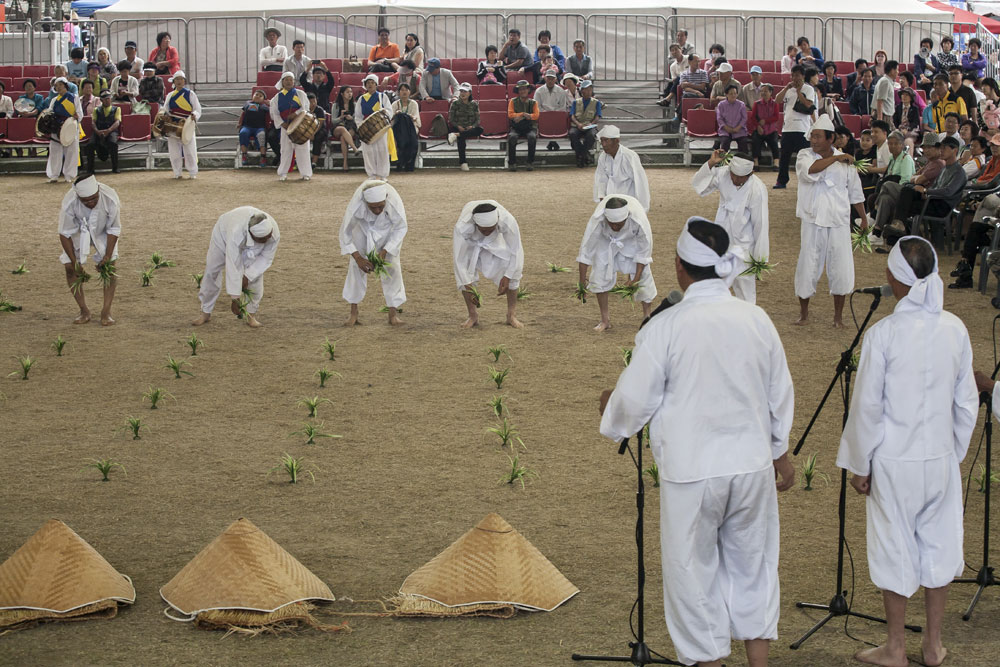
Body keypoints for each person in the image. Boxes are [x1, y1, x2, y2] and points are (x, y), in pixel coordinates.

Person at [598, 216, 795, 667]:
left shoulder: (666, 326)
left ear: (679, 267)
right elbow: (779, 393)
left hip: (693, 472)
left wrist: (612, 412)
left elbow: (634, 400)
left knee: (692, 576)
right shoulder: (756, 318)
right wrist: (780, 452)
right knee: (754, 569)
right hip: (751, 466)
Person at [838, 236, 977, 667]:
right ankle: (933, 645)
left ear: (893, 277)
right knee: (940, 547)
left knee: (893, 548)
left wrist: (860, 464)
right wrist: (951, 452)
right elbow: (966, 403)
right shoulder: (954, 328)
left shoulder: (883, 335)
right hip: (939, 458)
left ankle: (896, 648)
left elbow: (868, 408)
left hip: (894, 462)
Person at [794, 115, 867, 327]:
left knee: (840, 266)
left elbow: (855, 193)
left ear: (830, 138)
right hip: (812, 219)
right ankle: (804, 314)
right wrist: (836, 158)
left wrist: (863, 218)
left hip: (838, 220)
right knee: (808, 264)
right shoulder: (805, 155)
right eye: (812, 136)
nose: (814, 140)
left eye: (818, 137)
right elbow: (810, 170)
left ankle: (838, 317)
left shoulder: (847, 163)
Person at [692, 151, 770, 303]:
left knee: (745, 289)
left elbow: (760, 224)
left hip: (744, 245)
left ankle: (746, 316)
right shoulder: (723, 174)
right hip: (721, 237)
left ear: (751, 174)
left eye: (740, 177)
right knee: (716, 284)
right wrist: (711, 163)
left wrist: (760, 258)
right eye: (733, 175)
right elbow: (699, 186)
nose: (735, 179)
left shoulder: (757, 189)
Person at [577, 196, 657, 329]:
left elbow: (644, 252)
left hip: (632, 241)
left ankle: (647, 316)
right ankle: (605, 320)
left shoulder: (638, 221)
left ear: (626, 218)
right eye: (611, 224)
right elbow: (586, 251)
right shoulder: (598, 220)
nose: (614, 227)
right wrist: (581, 283)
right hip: (606, 240)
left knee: (644, 277)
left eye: (619, 224)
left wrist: (635, 279)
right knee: (599, 275)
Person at [192, 207, 279, 329]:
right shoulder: (235, 234)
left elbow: (266, 258)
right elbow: (233, 265)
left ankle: (251, 315)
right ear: (251, 234)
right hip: (223, 234)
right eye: (262, 239)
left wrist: (248, 276)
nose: (266, 240)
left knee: (256, 277)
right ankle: (205, 312)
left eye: (268, 236)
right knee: (212, 271)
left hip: (243, 236)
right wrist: (235, 299)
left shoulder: (273, 232)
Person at [340, 180, 407, 326]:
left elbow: (401, 228)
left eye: (381, 206)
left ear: (386, 199)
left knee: (393, 267)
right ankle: (353, 313)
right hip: (362, 228)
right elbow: (345, 233)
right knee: (355, 268)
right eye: (373, 207)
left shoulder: (394, 202)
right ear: (365, 202)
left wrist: (385, 250)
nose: (377, 210)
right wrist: (358, 258)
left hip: (387, 228)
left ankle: (393, 314)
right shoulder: (356, 205)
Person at [58, 174, 120, 326]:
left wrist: (107, 256)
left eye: (94, 198)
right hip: (78, 231)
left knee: (110, 267)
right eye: (86, 201)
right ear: (78, 197)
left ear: (98, 191)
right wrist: (75, 263)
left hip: (103, 230)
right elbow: (64, 233)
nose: (91, 202)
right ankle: (84, 310)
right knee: (69, 268)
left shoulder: (110, 197)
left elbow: (114, 228)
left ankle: (106, 312)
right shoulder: (70, 201)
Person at [453, 201, 525, 329]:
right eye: (484, 230)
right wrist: (469, 288)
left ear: (497, 223)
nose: (487, 232)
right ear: (476, 224)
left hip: (495, 239)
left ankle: (511, 315)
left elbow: (516, 251)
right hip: (471, 241)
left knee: (513, 272)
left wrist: (508, 276)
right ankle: (472, 316)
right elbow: (459, 261)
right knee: (465, 276)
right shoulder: (462, 227)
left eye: (490, 229)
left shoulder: (507, 221)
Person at [885, 136, 965, 244]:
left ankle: (898, 237)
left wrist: (926, 191)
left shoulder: (959, 171)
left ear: (954, 150)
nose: (941, 151)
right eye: (940, 148)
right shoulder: (945, 168)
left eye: (944, 148)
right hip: (932, 200)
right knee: (906, 191)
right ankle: (898, 233)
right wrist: (925, 191)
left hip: (942, 206)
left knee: (903, 204)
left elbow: (948, 191)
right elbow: (934, 186)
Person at [871, 133, 944, 238]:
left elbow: (917, 179)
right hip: (911, 191)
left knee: (887, 185)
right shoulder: (930, 163)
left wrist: (917, 179)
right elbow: (914, 178)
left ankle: (873, 214)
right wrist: (917, 178)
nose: (926, 151)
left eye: (930, 147)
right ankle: (877, 233)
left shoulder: (937, 164)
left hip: (921, 196)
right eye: (924, 148)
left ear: (938, 148)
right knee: (885, 198)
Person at [774, 65, 818, 189]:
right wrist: (786, 88)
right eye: (792, 75)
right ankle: (781, 180)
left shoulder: (808, 89)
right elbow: (777, 100)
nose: (794, 78)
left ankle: (806, 179)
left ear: (803, 76)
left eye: (797, 75)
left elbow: (808, 104)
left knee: (804, 157)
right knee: (784, 157)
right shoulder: (788, 89)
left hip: (802, 128)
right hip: (788, 128)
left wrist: (799, 91)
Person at [594, 125, 650, 210]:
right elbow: (601, 179)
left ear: (616, 141)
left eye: (606, 140)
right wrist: (602, 198)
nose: (604, 144)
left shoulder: (630, 156)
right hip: (610, 201)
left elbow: (640, 182)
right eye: (602, 141)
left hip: (628, 200)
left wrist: (642, 207)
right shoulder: (603, 157)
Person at [270, 71, 312, 182]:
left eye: (290, 80)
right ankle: (283, 173)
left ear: (293, 82)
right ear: (282, 82)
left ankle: (306, 173)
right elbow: (274, 113)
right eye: (286, 80)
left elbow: (305, 107)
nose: (289, 82)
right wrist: (283, 124)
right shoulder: (276, 97)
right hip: (286, 127)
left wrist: (296, 114)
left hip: (300, 126)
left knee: (303, 149)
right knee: (285, 150)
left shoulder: (300, 93)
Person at [356, 74, 396, 179]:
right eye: (368, 83)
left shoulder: (382, 96)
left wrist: (385, 113)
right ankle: (371, 174)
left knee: (382, 150)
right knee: (368, 151)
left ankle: (383, 174)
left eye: (372, 83)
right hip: (367, 128)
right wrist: (361, 126)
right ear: (365, 85)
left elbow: (389, 110)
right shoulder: (361, 99)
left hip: (380, 127)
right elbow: (358, 115)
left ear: (376, 84)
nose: (370, 85)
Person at [45, 78, 84, 184]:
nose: (58, 87)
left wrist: (76, 117)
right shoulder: (54, 100)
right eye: (56, 86)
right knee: (55, 151)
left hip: (70, 127)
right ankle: (54, 175)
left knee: (71, 152)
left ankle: (69, 175)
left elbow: (80, 113)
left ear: (65, 85)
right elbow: (50, 112)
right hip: (57, 128)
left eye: (60, 85)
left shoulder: (74, 98)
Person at [164, 71, 201, 180]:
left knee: (190, 149)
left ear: (184, 81)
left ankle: (192, 172)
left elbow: (197, 109)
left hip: (187, 124)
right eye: (177, 79)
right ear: (174, 82)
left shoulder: (190, 94)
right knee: (174, 151)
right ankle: (177, 172)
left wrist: (194, 115)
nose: (179, 81)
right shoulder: (170, 95)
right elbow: (165, 109)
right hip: (173, 124)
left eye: (181, 79)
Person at [448, 82, 482, 171]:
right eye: (461, 91)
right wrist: (458, 126)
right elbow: (451, 119)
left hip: (469, 128)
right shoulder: (455, 103)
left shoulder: (474, 104)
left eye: (465, 91)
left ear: (470, 93)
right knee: (461, 139)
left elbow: (478, 119)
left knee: (480, 129)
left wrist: (472, 126)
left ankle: (456, 135)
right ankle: (463, 162)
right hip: (457, 127)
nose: (462, 93)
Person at [85, 90, 121, 174]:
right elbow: (93, 122)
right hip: (99, 130)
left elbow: (117, 122)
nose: (107, 100)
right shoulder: (96, 110)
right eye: (105, 99)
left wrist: (109, 130)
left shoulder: (116, 109)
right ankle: (90, 169)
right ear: (101, 100)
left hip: (111, 131)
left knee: (113, 144)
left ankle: (115, 167)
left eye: (108, 98)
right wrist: (97, 131)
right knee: (90, 145)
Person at [507, 80, 539, 171]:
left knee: (532, 137)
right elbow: (510, 115)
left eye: (524, 89)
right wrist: (523, 114)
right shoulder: (512, 101)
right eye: (520, 89)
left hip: (530, 127)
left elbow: (536, 115)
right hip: (516, 127)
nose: (523, 91)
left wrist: (522, 116)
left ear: (528, 90)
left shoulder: (534, 102)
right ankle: (512, 163)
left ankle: (530, 162)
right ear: (518, 91)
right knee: (512, 137)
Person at [569, 80, 601, 168]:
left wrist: (591, 124)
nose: (588, 91)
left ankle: (581, 156)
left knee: (591, 135)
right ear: (582, 91)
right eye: (586, 89)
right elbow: (572, 116)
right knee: (572, 134)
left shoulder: (596, 102)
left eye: (590, 89)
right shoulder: (576, 102)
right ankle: (585, 155)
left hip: (590, 125)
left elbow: (597, 116)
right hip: (577, 125)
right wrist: (578, 124)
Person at [748, 83, 780, 170]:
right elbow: (753, 117)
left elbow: (776, 117)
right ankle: (756, 163)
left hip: (771, 129)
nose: (763, 93)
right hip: (759, 129)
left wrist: (765, 121)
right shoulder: (757, 103)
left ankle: (776, 163)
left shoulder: (775, 103)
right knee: (755, 141)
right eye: (761, 91)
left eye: (765, 91)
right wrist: (758, 126)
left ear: (770, 92)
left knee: (774, 142)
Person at [391, 83, 420, 172]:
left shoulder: (414, 103)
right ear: (398, 92)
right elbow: (390, 118)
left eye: (406, 90)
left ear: (409, 92)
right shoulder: (395, 104)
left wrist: (410, 116)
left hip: (411, 128)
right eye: (402, 90)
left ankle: (407, 163)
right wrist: (395, 114)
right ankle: (401, 162)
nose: (404, 92)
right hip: (398, 129)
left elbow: (415, 117)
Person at [331, 85, 359, 172]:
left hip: (351, 125)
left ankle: (345, 163)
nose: (350, 94)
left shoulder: (354, 105)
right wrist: (341, 117)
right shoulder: (336, 105)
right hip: (338, 126)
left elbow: (357, 119)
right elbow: (333, 121)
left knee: (343, 138)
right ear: (342, 94)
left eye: (351, 92)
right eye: (347, 92)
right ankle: (354, 148)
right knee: (342, 130)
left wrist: (351, 118)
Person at [237, 89, 269, 167]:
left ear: (263, 99)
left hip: (259, 127)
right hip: (247, 126)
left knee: (262, 135)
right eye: (256, 95)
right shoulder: (247, 103)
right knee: (243, 133)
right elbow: (243, 114)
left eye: (260, 96)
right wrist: (240, 123)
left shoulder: (265, 107)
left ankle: (263, 156)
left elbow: (268, 117)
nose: (257, 96)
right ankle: (244, 155)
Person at [716, 84, 749, 153]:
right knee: (725, 143)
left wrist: (738, 128)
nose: (733, 95)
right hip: (725, 130)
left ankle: (743, 160)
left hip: (739, 130)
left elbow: (744, 118)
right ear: (726, 94)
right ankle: (722, 159)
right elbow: (719, 118)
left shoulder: (741, 104)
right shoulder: (721, 105)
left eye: (735, 93)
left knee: (743, 143)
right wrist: (727, 128)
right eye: (731, 93)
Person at [305, 93, 328, 170]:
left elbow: (320, 124)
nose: (313, 104)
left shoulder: (319, 110)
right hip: (307, 129)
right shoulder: (304, 110)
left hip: (319, 130)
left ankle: (314, 162)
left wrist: (313, 133)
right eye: (311, 102)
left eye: (314, 101)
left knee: (318, 138)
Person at [873, 60, 898, 125]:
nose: (898, 72)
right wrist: (880, 120)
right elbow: (880, 101)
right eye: (897, 70)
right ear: (892, 70)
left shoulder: (887, 81)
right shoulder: (885, 82)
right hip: (884, 116)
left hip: (887, 115)